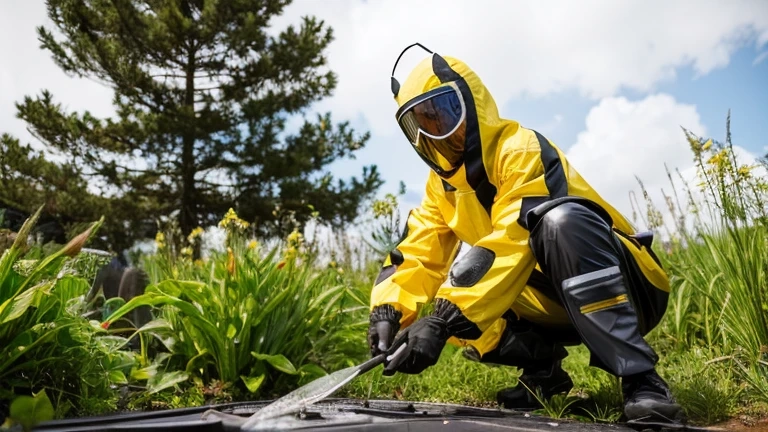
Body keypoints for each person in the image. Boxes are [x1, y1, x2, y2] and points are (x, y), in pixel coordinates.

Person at [367, 43, 685, 425]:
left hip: (631, 287)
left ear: (471, 103)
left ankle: (641, 379)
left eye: (441, 115)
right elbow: (416, 253)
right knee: (447, 299)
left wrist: (442, 320)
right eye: (420, 124)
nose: (432, 134)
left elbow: (513, 237)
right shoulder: (441, 188)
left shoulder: (519, 150)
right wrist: (388, 313)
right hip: (552, 302)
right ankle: (543, 374)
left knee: (559, 223)